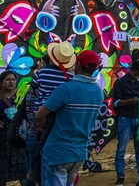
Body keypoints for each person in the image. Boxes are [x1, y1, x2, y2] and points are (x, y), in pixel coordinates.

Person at [35, 50, 104, 186]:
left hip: (58, 150)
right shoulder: (98, 92)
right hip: (80, 152)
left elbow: (39, 115)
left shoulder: (66, 89)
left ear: (78, 64)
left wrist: (43, 129)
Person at [28, 42, 75, 182]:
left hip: (41, 114)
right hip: (59, 116)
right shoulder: (70, 79)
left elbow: (34, 90)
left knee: (41, 145)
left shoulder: (41, 73)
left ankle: (34, 172)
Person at [112, 59, 139, 186]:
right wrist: (131, 101)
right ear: (131, 70)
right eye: (135, 73)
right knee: (122, 148)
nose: (136, 76)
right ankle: (121, 175)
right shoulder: (120, 83)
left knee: (137, 148)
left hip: (134, 117)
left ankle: (138, 174)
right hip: (126, 117)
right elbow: (116, 102)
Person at [0, 71, 27, 186]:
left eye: (13, 79)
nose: (11, 82)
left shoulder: (22, 95)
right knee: (1, 170)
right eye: (7, 79)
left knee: (23, 171)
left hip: (19, 138)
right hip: (2, 139)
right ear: (1, 83)